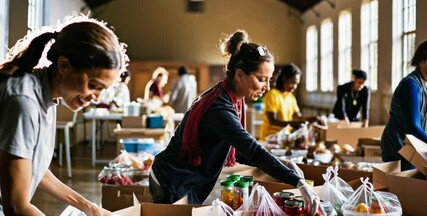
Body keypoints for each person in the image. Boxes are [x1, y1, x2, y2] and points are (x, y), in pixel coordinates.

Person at [149, 30, 325, 215]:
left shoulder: (230, 98)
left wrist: (283, 164)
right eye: (261, 79)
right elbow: (253, 151)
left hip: (181, 175)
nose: (267, 87)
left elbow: (239, 151)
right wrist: (298, 182)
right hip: (172, 179)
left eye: (269, 80)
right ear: (239, 75)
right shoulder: (219, 109)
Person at [0, 15, 127, 215]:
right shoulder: (24, 101)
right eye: (93, 85)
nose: (96, 97)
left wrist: (91, 208)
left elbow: (32, 168)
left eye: (103, 90)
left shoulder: (45, 94)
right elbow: (16, 206)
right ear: (64, 66)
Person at [381, 41, 427, 171]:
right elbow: (413, 127)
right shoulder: (411, 86)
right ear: (423, 60)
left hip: (413, 146)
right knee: (404, 186)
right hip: (399, 146)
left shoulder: (424, 85)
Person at [260, 63, 322, 141]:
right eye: (292, 82)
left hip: (285, 137)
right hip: (270, 138)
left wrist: (313, 119)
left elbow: (297, 117)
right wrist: (295, 124)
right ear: (284, 78)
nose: (294, 87)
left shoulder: (291, 97)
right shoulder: (272, 95)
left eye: (296, 84)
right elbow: (273, 121)